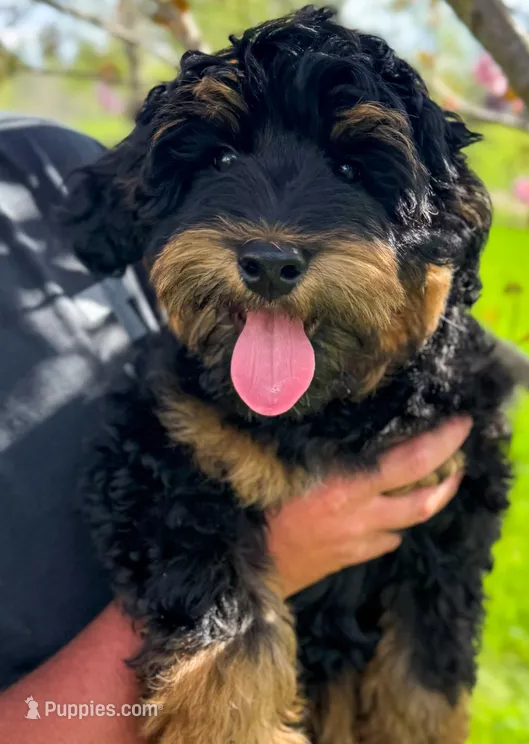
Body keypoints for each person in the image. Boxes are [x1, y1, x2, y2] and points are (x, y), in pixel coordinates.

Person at [0, 114, 470, 743]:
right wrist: (277, 558)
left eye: (349, 171)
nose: (275, 240)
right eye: (223, 164)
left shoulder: (42, 157)